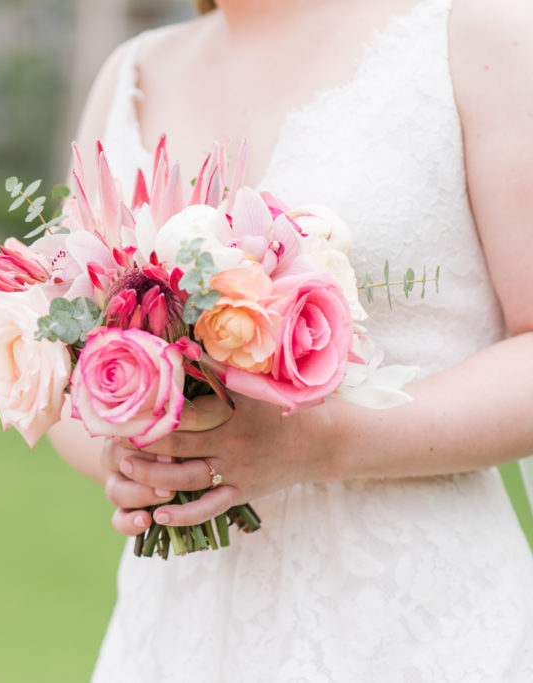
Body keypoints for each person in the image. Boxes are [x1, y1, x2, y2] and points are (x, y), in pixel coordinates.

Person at [48, 0, 533, 679]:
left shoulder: (476, 33)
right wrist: (137, 455)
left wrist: (320, 443)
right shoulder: (132, 72)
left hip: (414, 629)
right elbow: (62, 353)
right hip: (175, 636)